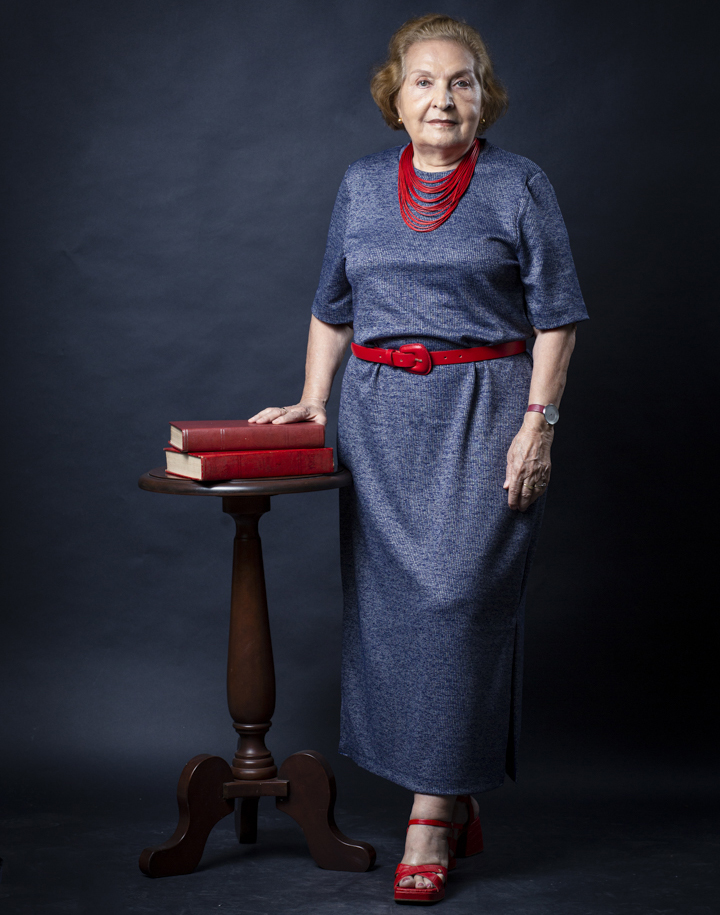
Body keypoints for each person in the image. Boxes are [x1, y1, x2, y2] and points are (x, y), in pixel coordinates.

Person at [250, 13, 588, 905]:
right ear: (395, 98)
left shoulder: (520, 184)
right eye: (427, 81)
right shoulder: (362, 185)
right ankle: (453, 789)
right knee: (397, 614)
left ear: (486, 97)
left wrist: (539, 421)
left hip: (486, 415)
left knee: (457, 598)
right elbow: (333, 306)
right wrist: (314, 400)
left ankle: (428, 816)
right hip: (379, 421)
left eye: (464, 81)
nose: (445, 97)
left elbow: (557, 314)